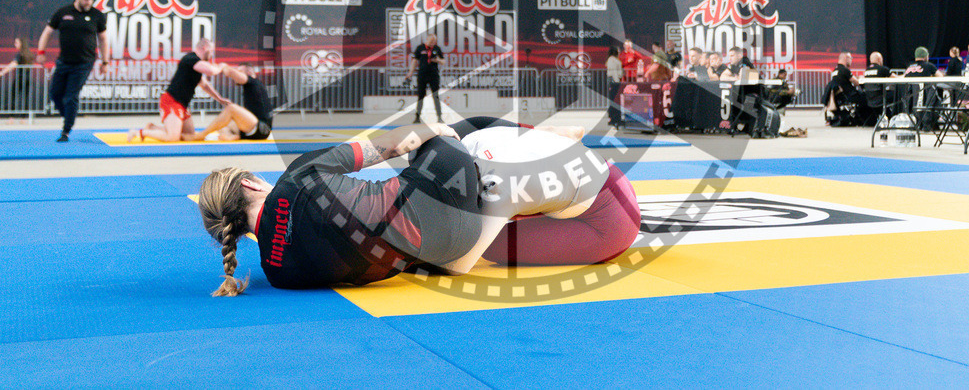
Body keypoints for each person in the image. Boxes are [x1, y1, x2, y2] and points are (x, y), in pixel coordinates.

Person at [196, 117, 641, 295]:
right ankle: (540, 137)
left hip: (444, 255)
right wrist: (431, 128)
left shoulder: (278, 275)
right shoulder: (293, 176)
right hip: (454, 196)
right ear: (252, 182)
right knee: (456, 128)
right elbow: (380, 148)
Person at [36, 0, 110, 142]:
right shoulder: (63, 13)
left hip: (84, 63)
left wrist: (105, 61)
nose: (89, 2)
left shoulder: (97, 15)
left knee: (71, 96)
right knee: (55, 94)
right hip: (64, 62)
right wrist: (41, 52)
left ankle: (66, 130)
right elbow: (47, 32)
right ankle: (69, 114)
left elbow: (103, 39)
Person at [128, 38, 230, 142]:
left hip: (182, 104)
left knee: (189, 135)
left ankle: (152, 128)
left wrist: (219, 99)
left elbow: (205, 85)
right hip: (172, 101)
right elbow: (211, 70)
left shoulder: (196, 65)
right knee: (172, 138)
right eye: (211, 51)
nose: (212, 54)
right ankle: (138, 132)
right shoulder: (191, 58)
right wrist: (222, 66)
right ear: (205, 48)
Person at [182, 63, 274, 141]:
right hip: (256, 128)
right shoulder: (252, 86)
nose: (237, 76)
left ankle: (200, 135)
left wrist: (222, 66)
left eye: (240, 72)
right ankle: (234, 136)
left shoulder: (253, 82)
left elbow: (230, 72)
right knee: (222, 124)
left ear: (249, 73)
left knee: (231, 108)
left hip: (262, 129)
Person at [405, 33, 445, 123]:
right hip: (422, 75)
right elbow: (415, 61)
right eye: (431, 41)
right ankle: (417, 117)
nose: (432, 43)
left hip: (433, 75)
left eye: (434, 41)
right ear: (427, 40)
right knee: (420, 96)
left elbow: (443, 61)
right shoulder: (420, 48)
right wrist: (410, 73)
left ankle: (439, 117)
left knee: (435, 96)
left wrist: (437, 60)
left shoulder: (436, 49)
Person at [822, 52, 866, 125]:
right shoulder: (844, 70)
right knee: (867, 98)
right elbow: (856, 82)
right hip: (850, 97)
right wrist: (861, 78)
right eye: (851, 58)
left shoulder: (835, 71)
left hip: (842, 97)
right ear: (846, 59)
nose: (851, 61)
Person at [0, 37, 36, 112]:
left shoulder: (20, 55)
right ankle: (24, 118)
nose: (15, 45)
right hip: (28, 79)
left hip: (20, 79)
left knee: (13, 97)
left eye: (16, 43)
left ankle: (11, 117)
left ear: (21, 44)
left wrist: (2, 72)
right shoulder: (29, 54)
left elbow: (13, 64)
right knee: (25, 98)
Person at [862, 52, 892, 122]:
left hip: (869, 99)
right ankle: (895, 117)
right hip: (880, 98)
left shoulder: (866, 71)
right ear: (879, 59)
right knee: (898, 95)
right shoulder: (883, 69)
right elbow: (896, 78)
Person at [606, 46, 623, 127]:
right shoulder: (612, 60)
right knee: (614, 100)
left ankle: (614, 117)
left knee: (614, 100)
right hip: (614, 82)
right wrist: (617, 82)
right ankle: (614, 118)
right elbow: (614, 72)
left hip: (615, 81)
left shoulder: (614, 59)